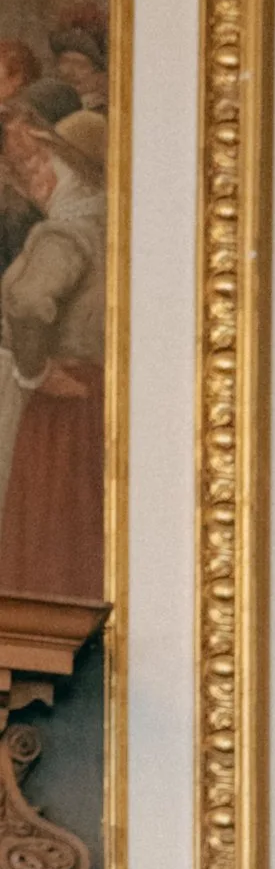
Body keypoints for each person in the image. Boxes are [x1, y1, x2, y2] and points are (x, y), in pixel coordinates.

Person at [0, 106, 105, 598]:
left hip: (57, 401)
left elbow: (27, 301)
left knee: (45, 530)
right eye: (27, 169)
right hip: (91, 397)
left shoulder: (64, 232)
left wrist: (32, 370)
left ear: (76, 171)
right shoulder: (110, 227)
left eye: (44, 165)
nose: (34, 180)